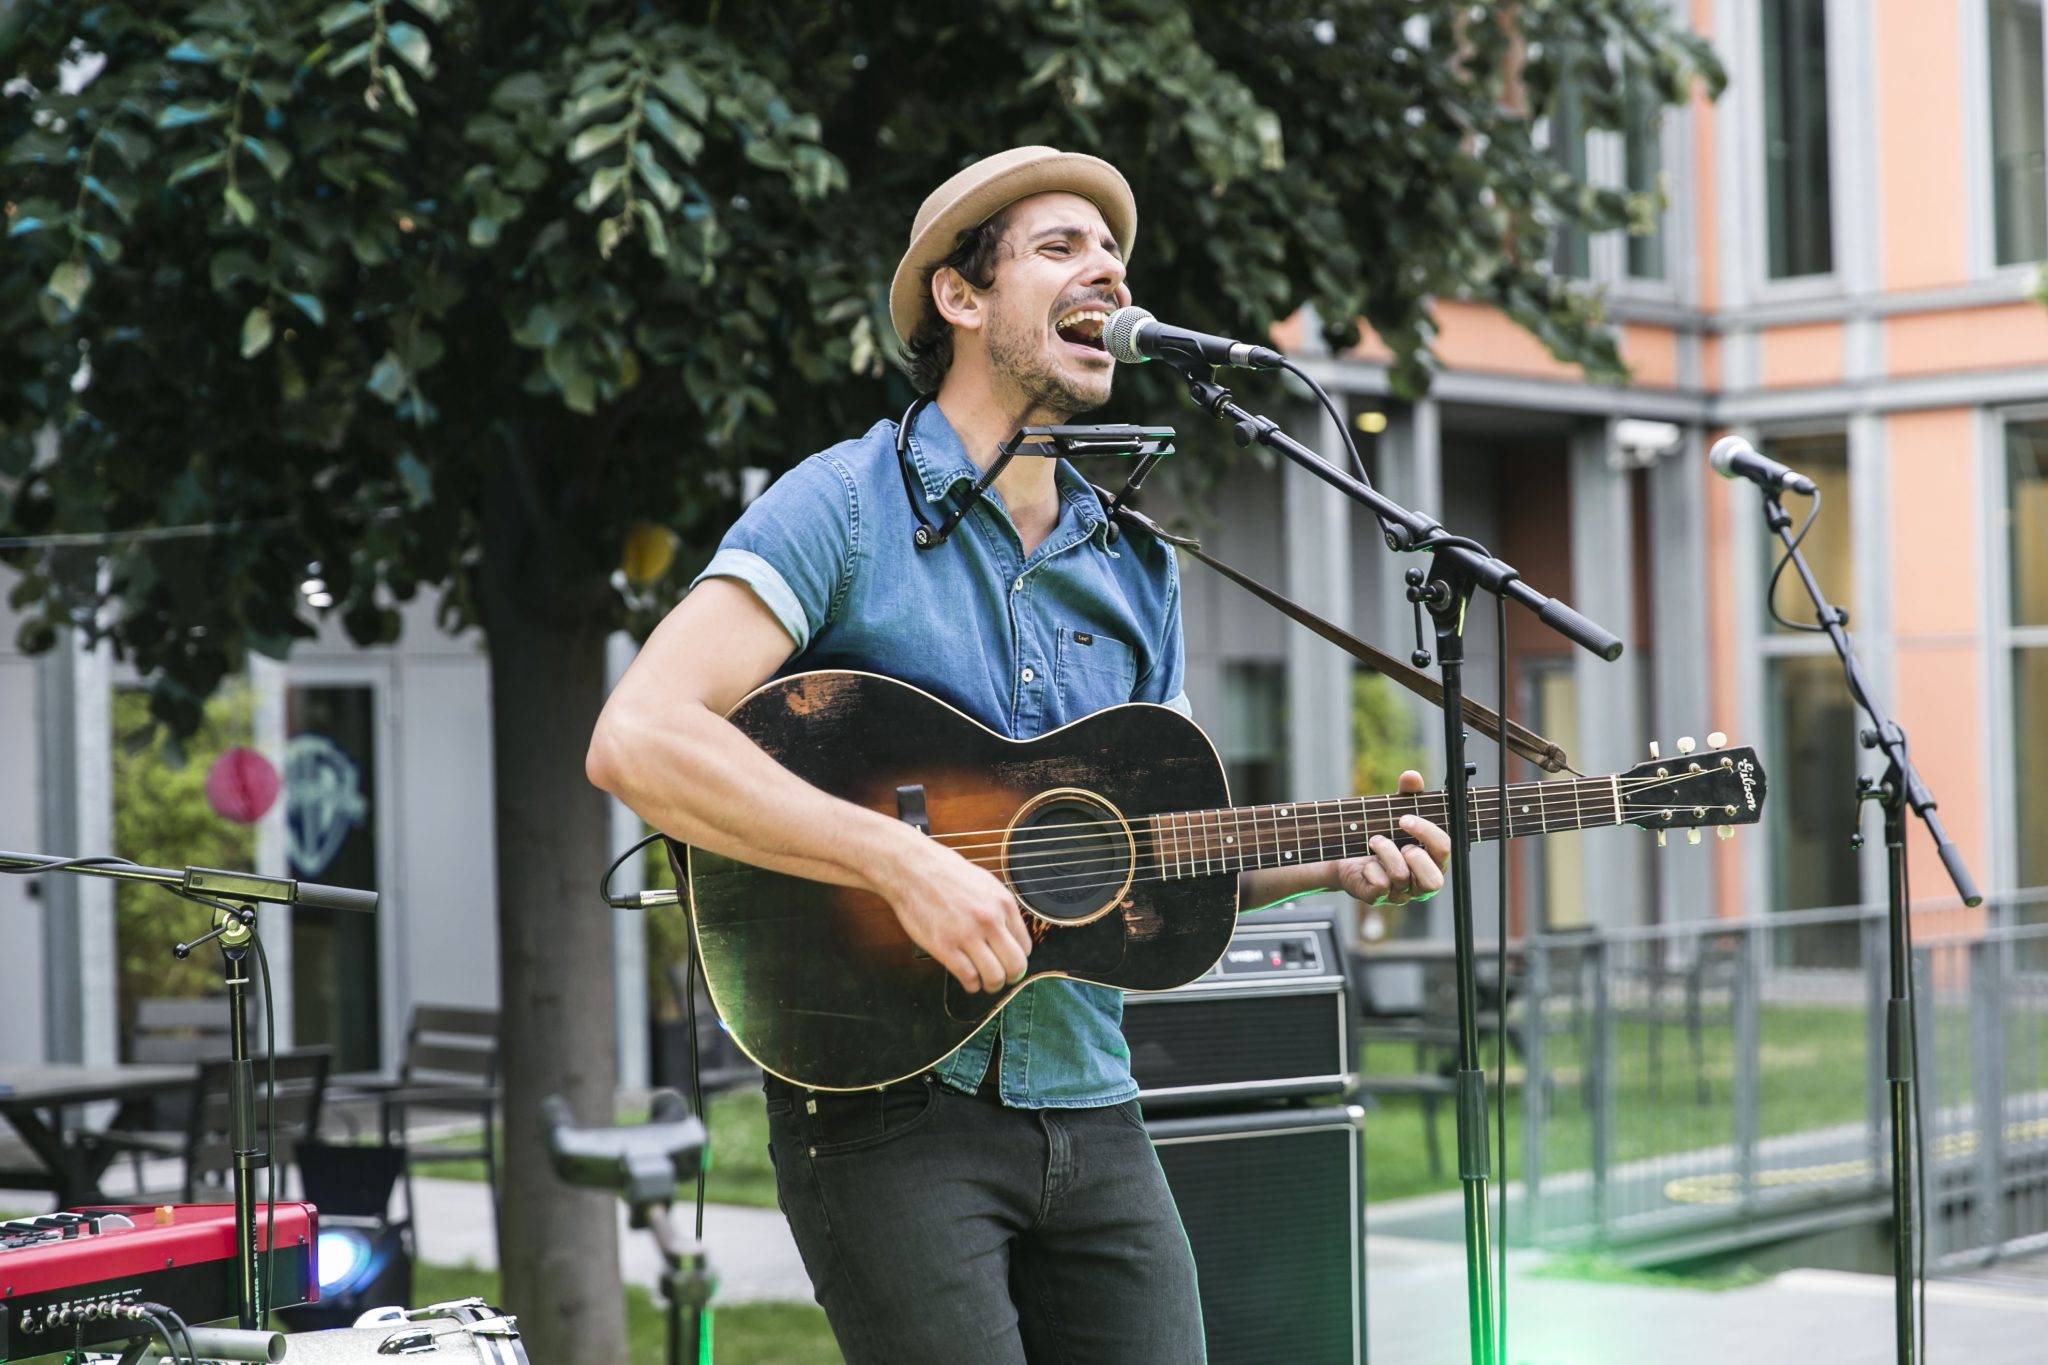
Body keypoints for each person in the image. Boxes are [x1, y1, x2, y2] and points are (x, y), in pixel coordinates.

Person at [586, 145, 1451, 1364]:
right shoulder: (841, 507)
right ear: (960, 298)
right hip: (883, 1113)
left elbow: (1144, 860)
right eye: (1060, 249)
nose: (1103, 271)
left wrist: (1329, 860)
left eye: (1113, 256)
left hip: (1092, 1101)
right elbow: (638, 737)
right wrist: (901, 862)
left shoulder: (1133, 566)